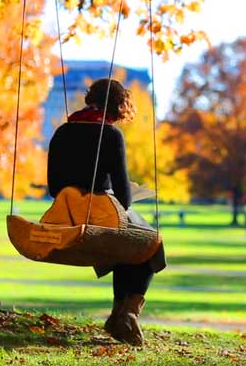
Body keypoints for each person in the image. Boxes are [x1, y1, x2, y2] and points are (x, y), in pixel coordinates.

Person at [46, 78, 166, 346]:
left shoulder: (62, 132)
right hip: (101, 216)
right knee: (151, 244)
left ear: (91, 99)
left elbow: (54, 187)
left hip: (66, 217)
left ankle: (119, 317)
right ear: (119, 106)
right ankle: (125, 314)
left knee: (129, 247)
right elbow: (123, 195)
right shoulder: (111, 135)